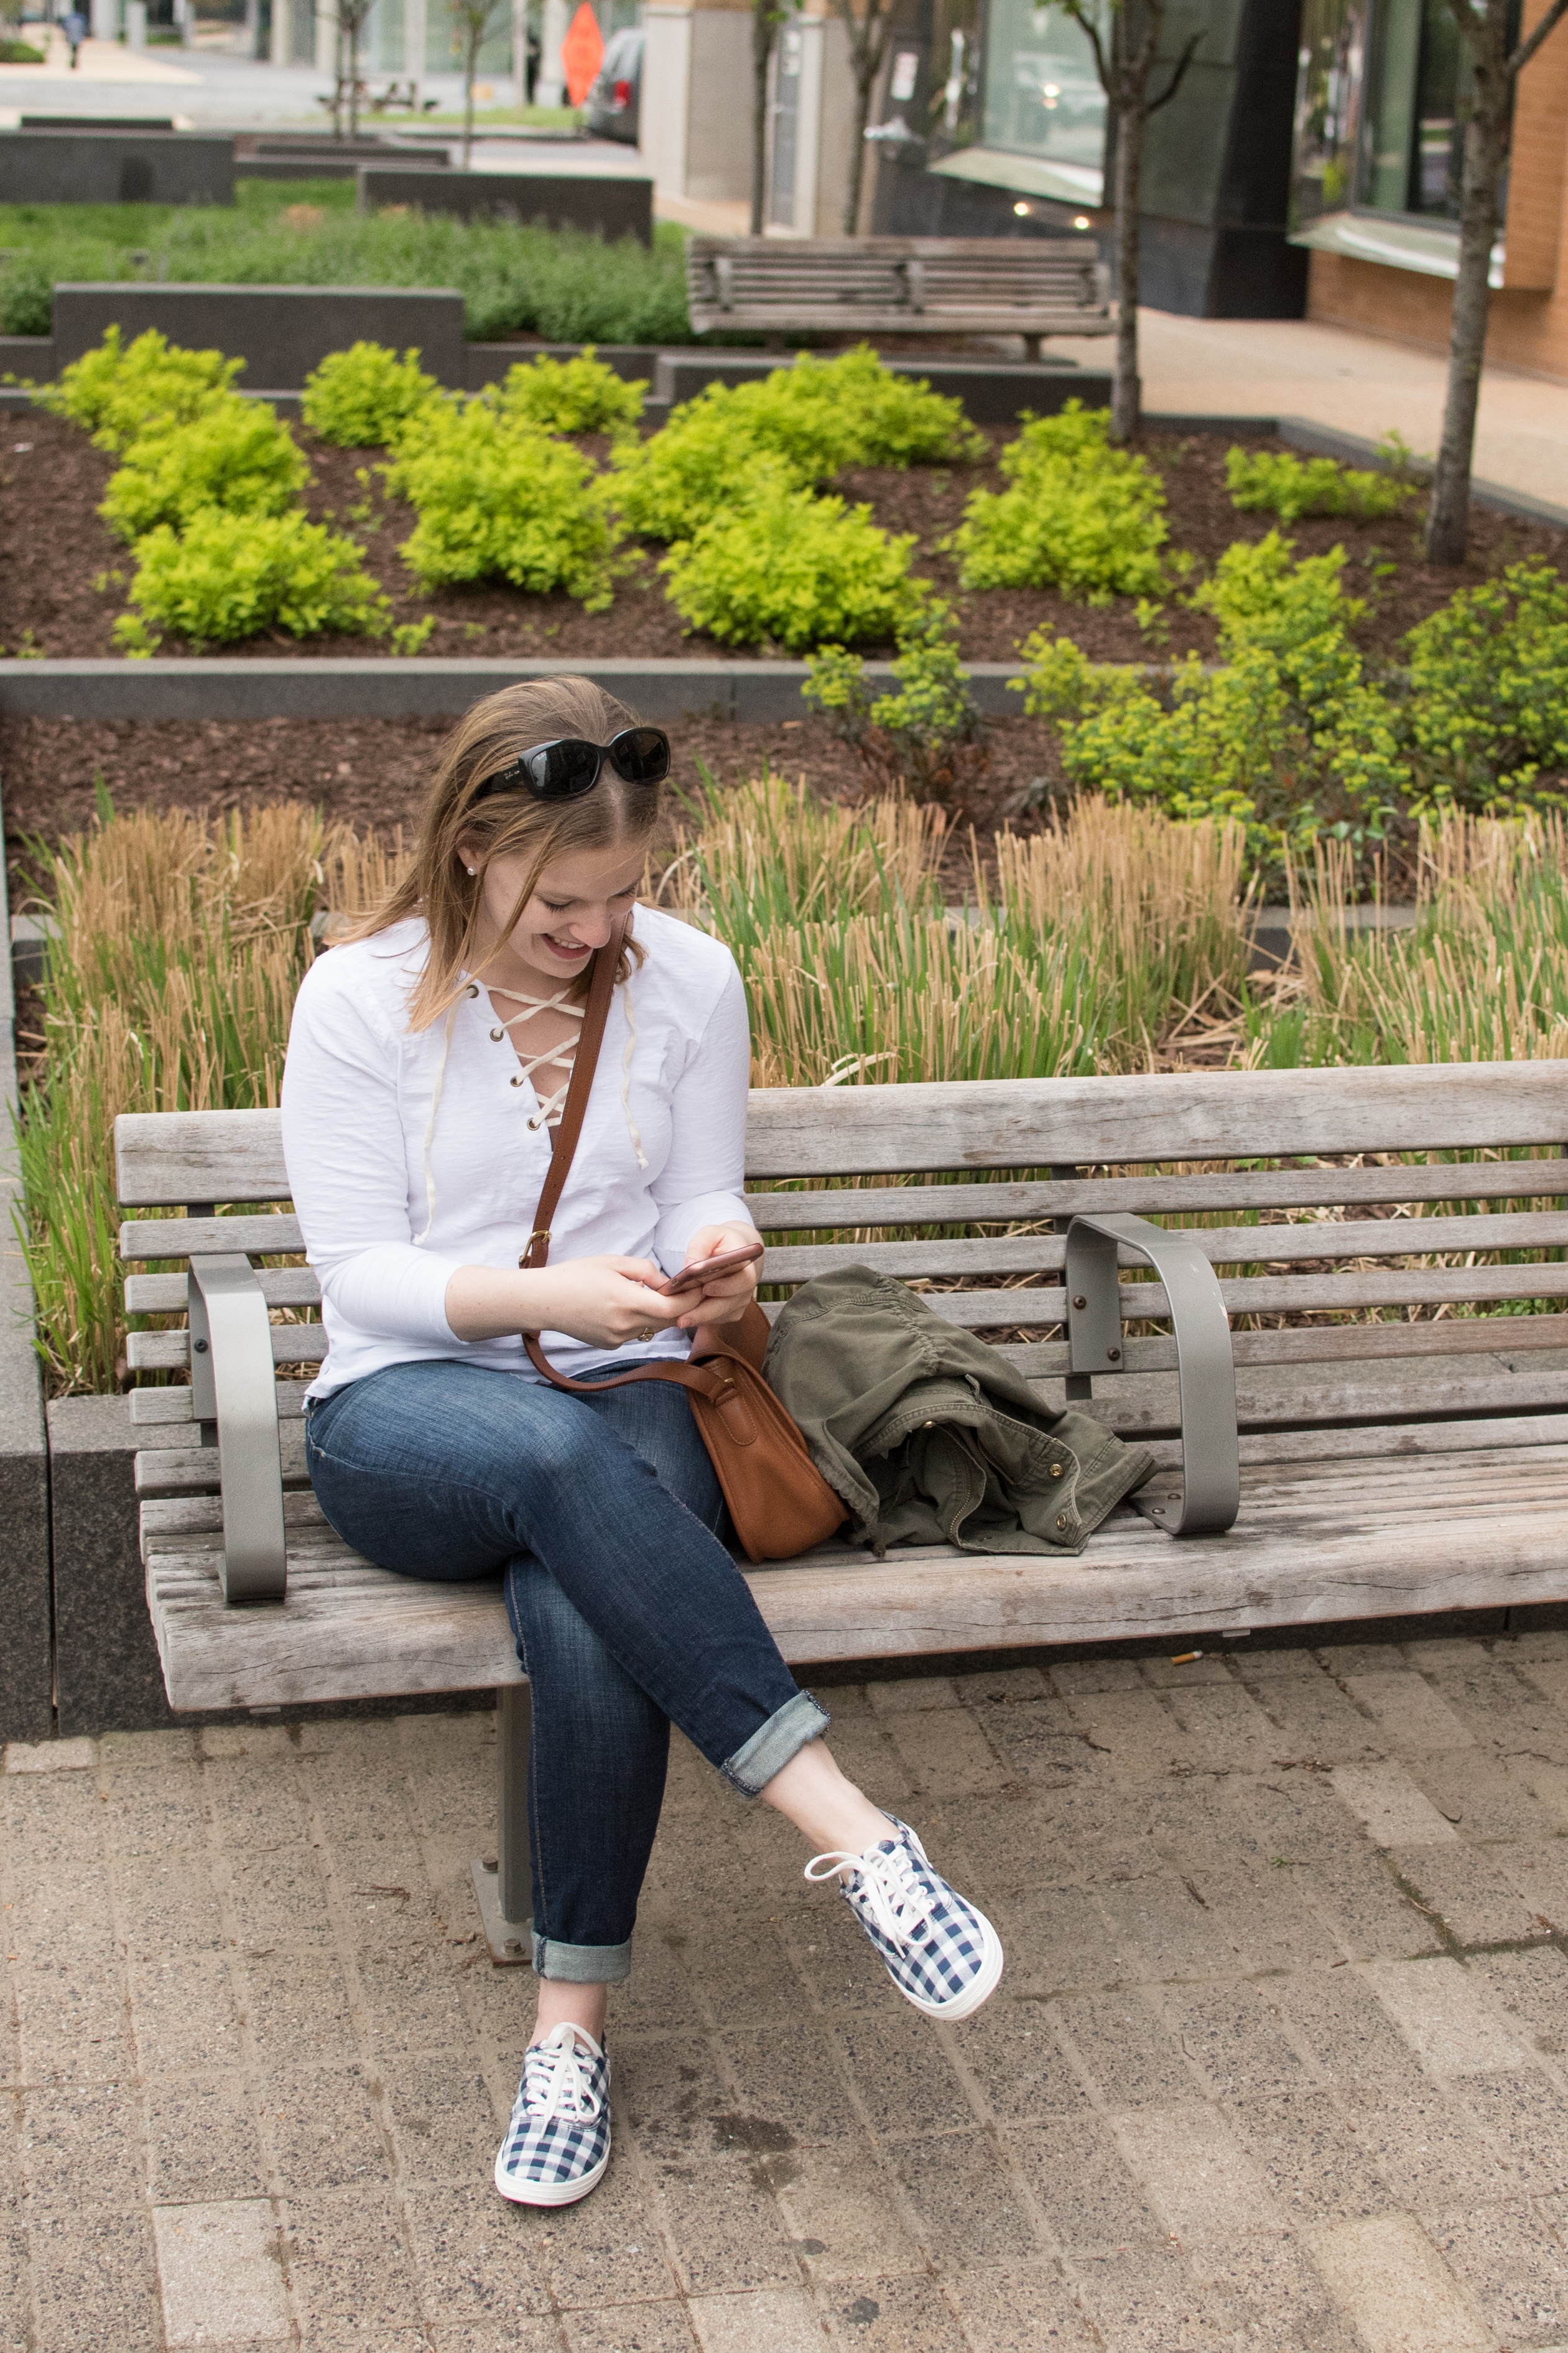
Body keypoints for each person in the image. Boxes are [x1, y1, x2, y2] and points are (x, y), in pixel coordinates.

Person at [279, 678, 1004, 2211]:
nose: (598, 929)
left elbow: (694, 1190)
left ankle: (568, 2039)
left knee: (588, 1608)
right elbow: (360, 1273)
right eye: (563, 897)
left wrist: (718, 1249)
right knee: (551, 1468)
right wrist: (549, 1299)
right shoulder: (359, 998)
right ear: (474, 847)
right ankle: (858, 1835)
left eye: (623, 895)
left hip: (637, 1389)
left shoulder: (688, 978)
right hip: (409, 1412)